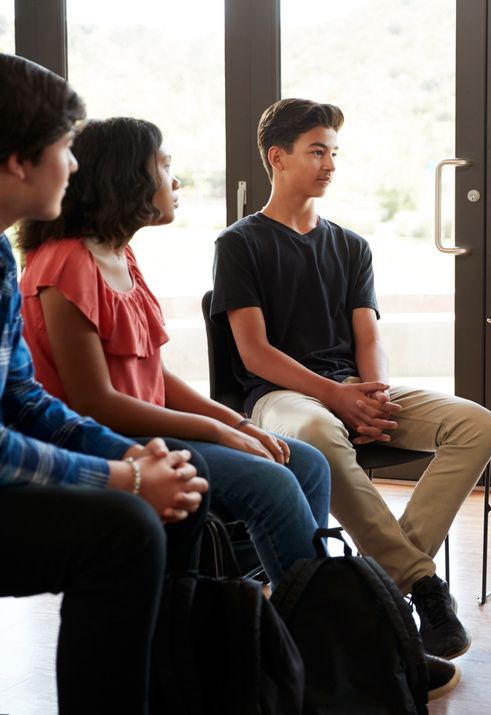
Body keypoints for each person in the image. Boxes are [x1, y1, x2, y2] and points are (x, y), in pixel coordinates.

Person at [210, 98, 491, 661]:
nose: (330, 164)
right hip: (281, 396)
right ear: (278, 157)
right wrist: (338, 398)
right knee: (318, 435)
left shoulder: (351, 246)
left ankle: (382, 582)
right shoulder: (239, 244)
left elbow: (368, 339)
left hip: (351, 387)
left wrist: (377, 396)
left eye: (334, 152)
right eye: (317, 151)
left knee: (475, 424)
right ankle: (422, 585)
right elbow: (256, 353)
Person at [17, 116, 333, 589]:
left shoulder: (121, 254)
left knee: (306, 462)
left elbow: (155, 378)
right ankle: (326, 634)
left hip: (149, 428)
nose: (175, 179)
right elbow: (94, 403)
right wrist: (219, 431)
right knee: (272, 483)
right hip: (108, 440)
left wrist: (238, 423)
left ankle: (292, 620)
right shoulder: (66, 264)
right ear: (125, 178)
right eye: (164, 165)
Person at [0, 53, 208, 715]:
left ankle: (182, 692)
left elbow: (24, 400)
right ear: (17, 161)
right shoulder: (57, 261)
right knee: (125, 525)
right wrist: (122, 478)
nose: (76, 164)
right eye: (65, 147)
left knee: (177, 487)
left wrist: (129, 454)